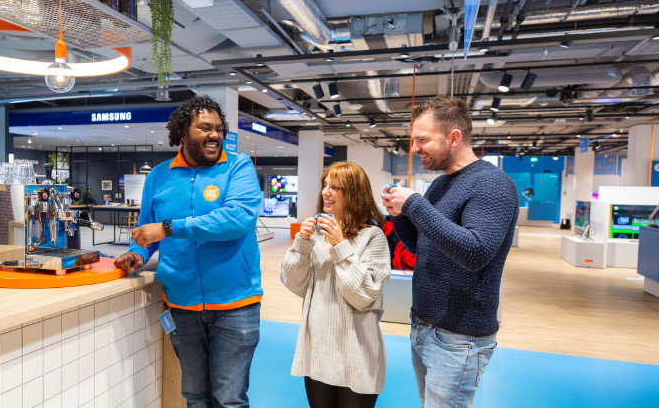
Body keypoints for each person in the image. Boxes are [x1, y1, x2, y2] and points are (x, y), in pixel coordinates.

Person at [114, 95, 263, 408]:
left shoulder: (238, 166)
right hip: (182, 304)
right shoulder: (159, 176)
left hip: (236, 302)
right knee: (195, 397)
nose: (215, 135)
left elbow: (236, 219)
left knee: (229, 399)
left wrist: (169, 228)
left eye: (219, 129)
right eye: (205, 128)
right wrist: (137, 253)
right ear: (183, 132)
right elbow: (146, 227)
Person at [381, 96, 519, 408]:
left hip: (459, 337)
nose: (414, 149)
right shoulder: (440, 185)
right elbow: (419, 244)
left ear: (453, 137)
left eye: (422, 140)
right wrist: (399, 214)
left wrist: (415, 204)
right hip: (424, 325)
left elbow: (475, 251)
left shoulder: (492, 184)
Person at [281, 161, 391, 408]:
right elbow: (295, 283)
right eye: (325, 185)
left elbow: (364, 295)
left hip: (357, 352)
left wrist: (340, 246)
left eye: (335, 187)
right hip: (318, 350)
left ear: (353, 193)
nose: (325, 192)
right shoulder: (317, 236)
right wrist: (302, 243)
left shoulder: (373, 237)